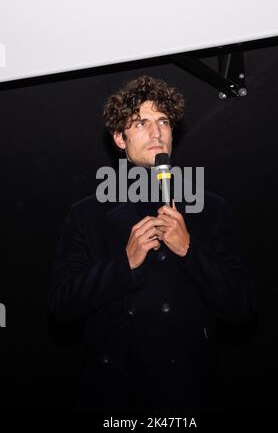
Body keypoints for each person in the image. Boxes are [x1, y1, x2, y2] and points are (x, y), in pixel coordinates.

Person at [49, 75, 255, 415]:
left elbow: (242, 305)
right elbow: (61, 305)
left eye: (163, 122)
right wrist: (123, 264)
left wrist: (190, 250)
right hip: (116, 398)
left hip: (187, 396)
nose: (156, 132)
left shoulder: (211, 209)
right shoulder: (87, 215)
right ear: (119, 138)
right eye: (141, 123)